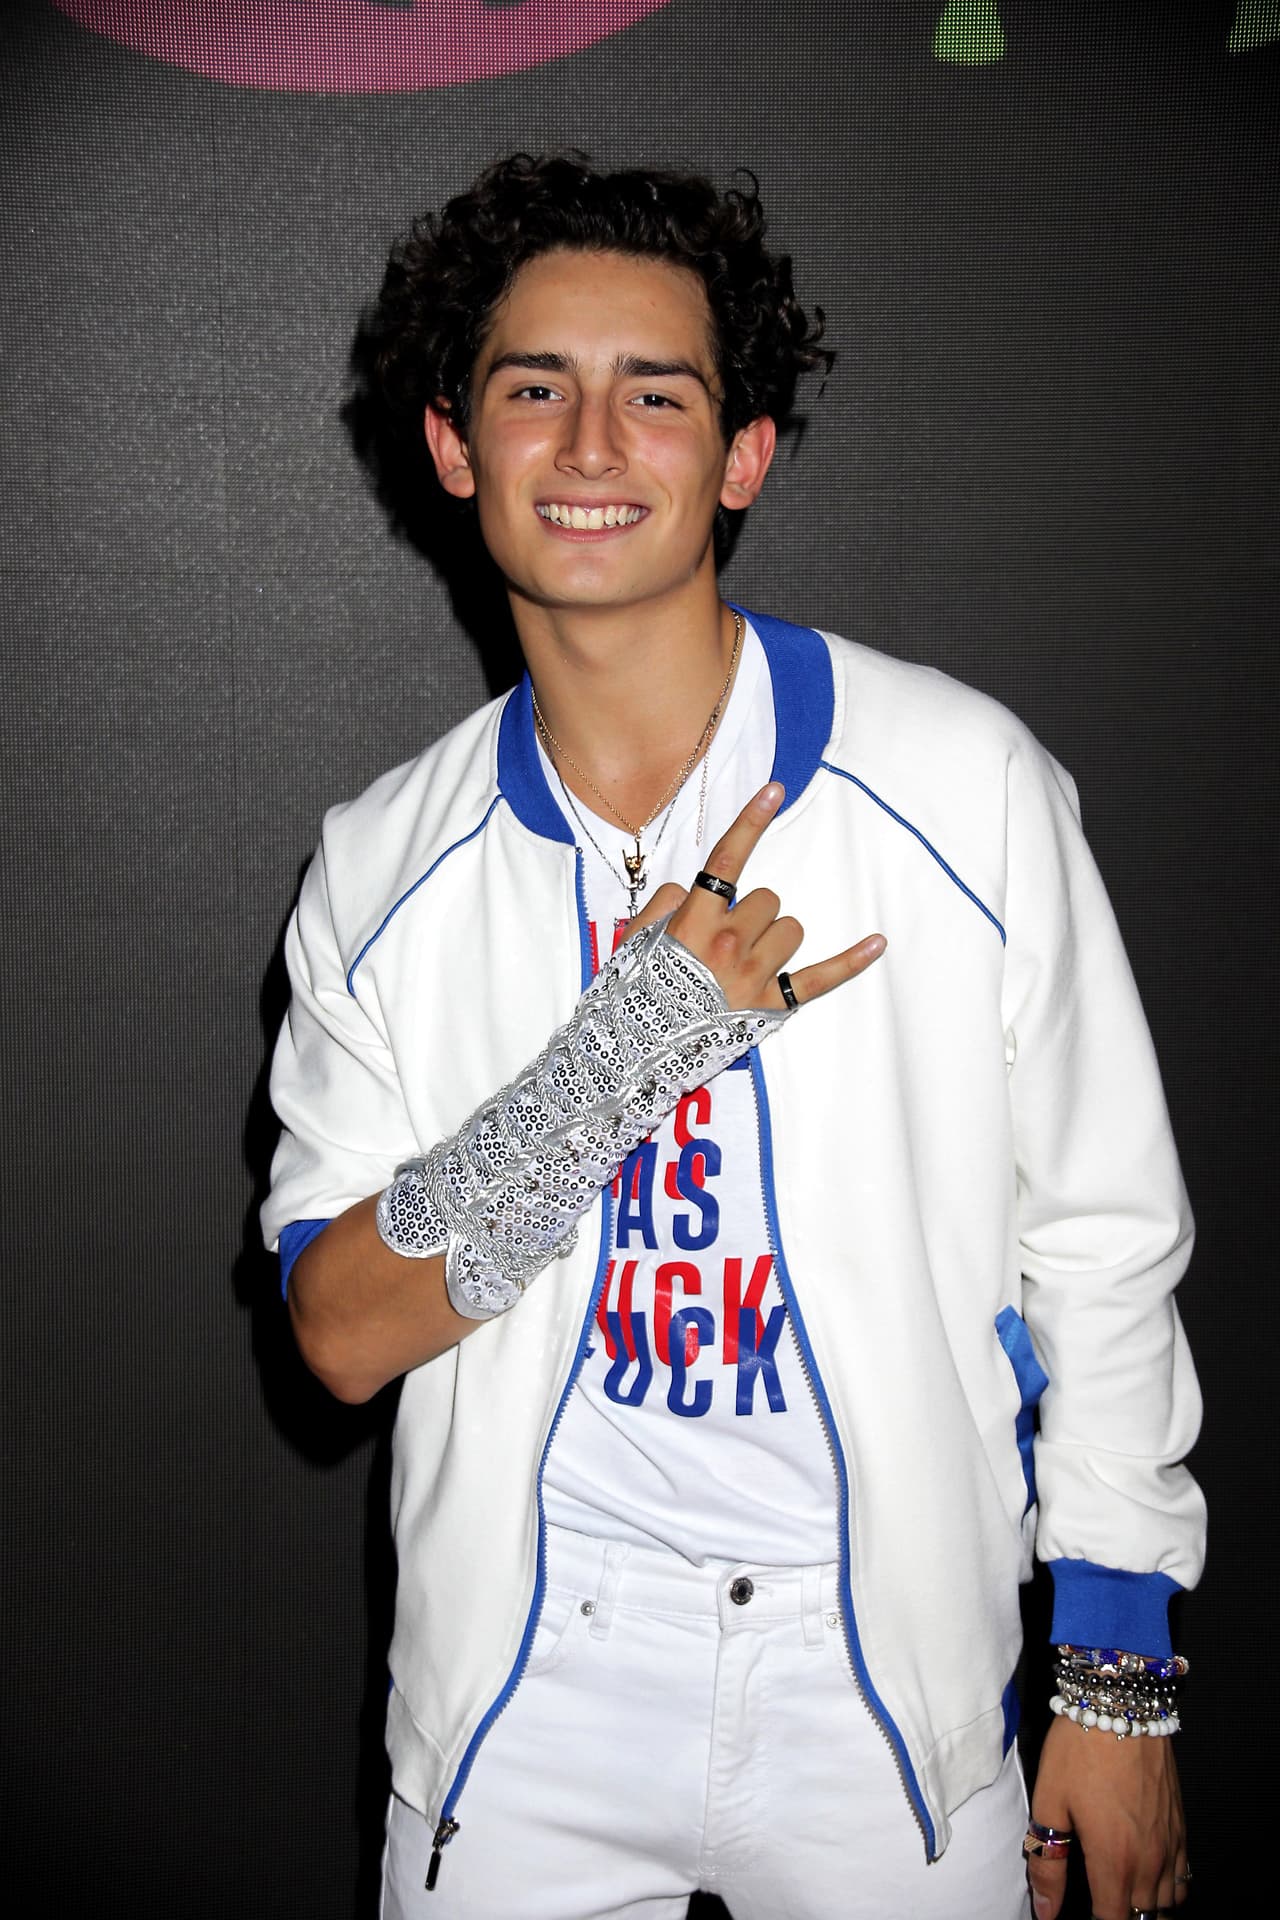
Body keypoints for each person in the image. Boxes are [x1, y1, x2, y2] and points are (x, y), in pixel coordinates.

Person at [262, 154, 1204, 1920]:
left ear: (743, 456)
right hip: (524, 1710)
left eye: (657, 395)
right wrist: (624, 1058)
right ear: (455, 445)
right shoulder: (381, 865)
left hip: (888, 1696)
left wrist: (1117, 1675)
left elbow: (1103, 1240)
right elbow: (338, 1334)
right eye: (534, 389)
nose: (592, 444)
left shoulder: (963, 784)